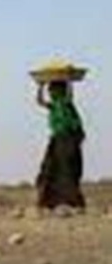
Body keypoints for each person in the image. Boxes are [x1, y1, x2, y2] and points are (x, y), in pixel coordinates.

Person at [35, 80, 86, 211]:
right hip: (57, 139)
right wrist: (40, 86)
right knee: (51, 168)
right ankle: (50, 202)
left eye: (53, 90)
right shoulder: (53, 106)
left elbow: (70, 95)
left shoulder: (66, 103)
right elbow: (39, 101)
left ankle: (72, 202)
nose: (51, 92)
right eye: (50, 90)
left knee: (68, 170)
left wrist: (69, 82)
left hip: (69, 139)